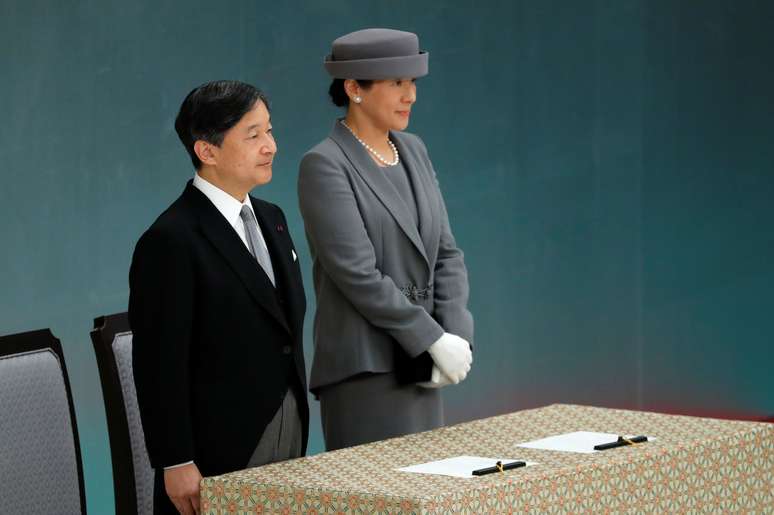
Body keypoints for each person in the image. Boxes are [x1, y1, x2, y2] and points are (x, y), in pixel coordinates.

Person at [129, 80, 308, 515]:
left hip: (288, 427)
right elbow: (158, 364)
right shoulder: (171, 239)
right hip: (217, 450)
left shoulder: (272, 218)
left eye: (269, 131)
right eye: (253, 135)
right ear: (206, 151)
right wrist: (176, 460)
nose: (271, 146)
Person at [298, 28, 474, 451]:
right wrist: (431, 337)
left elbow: (446, 253)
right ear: (354, 88)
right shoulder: (324, 164)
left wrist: (456, 331)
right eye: (397, 83)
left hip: (423, 368)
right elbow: (356, 274)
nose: (410, 95)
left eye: (412, 82)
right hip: (367, 372)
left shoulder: (414, 149)